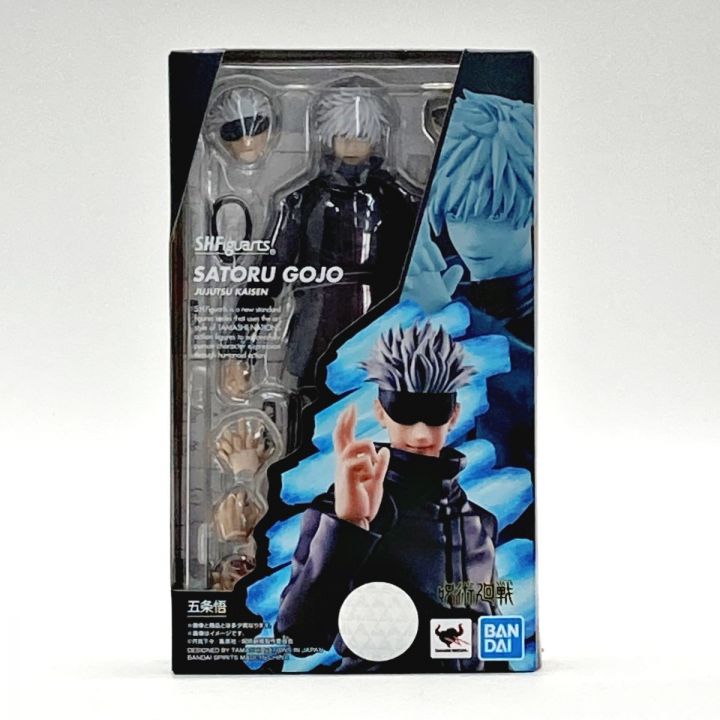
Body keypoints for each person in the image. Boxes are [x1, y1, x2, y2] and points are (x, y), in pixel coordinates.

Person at [276, 322, 501, 672]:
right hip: (373, 694)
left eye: (435, 414)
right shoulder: (341, 510)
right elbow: (298, 636)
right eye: (405, 413)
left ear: (454, 415)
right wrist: (349, 526)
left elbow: (492, 636)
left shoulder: (480, 522)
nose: (421, 434)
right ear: (381, 412)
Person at [403, 90, 534, 480]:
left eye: (496, 216)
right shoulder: (433, 282)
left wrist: (449, 320)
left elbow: (537, 393)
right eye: (458, 214)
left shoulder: (565, 294)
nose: (474, 239)